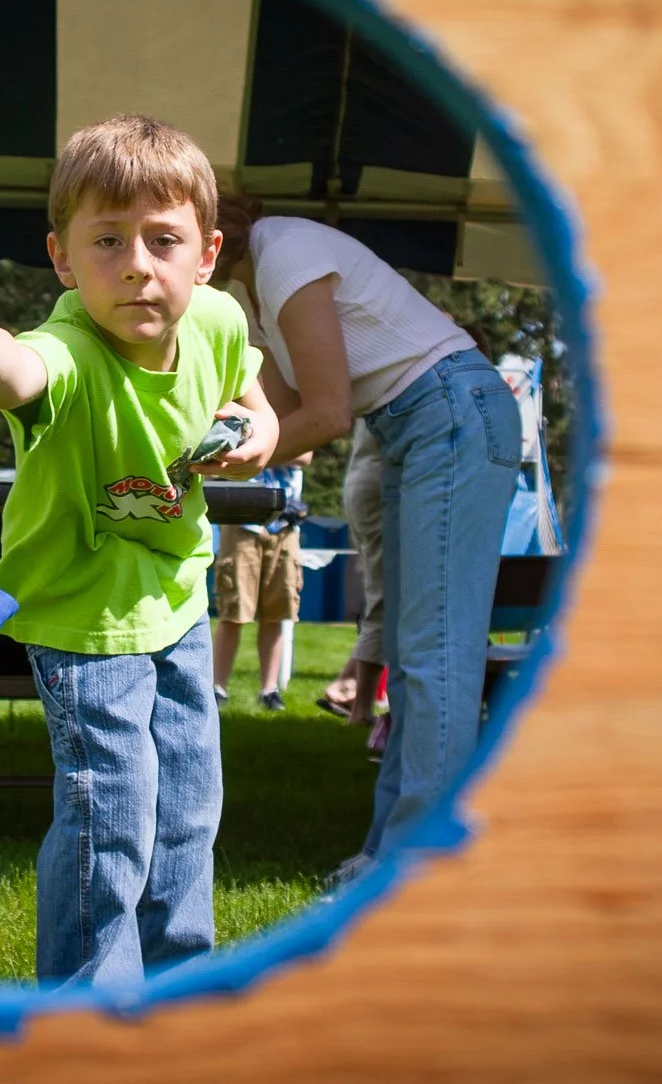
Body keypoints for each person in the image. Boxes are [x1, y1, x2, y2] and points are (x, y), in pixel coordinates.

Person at [0, 114, 278, 988]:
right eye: (107, 240)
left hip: (176, 597)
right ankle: (84, 1002)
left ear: (207, 253)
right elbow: (19, 372)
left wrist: (260, 428)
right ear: (63, 260)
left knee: (186, 811)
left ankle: (177, 986)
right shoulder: (67, 346)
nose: (137, 264)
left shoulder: (216, 317)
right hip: (81, 617)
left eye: (163, 239)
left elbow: (253, 394)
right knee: (115, 812)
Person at [212, 195, 519, 874]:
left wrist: (211, 460)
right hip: (415, 425)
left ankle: (414, 868)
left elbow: (323, 415)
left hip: (452, 412)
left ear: (208, 233)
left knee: (435, 655)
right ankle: (388, 851)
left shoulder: (283, 250)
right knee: (416, 656)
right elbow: (271, 418)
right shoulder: (254, 296)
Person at [212, 455, 311, 711]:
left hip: (285, 521)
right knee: (232, 610)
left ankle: (269, 690)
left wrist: (259, 449)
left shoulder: (296, 413)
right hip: (240, 517)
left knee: (276, 612)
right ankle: (216, 688)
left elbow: (304, 455)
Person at [319, 420, 385, 727]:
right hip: (383, 485)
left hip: (368, 483)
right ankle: (360, 707)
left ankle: (350, 688)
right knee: (385, 600)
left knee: (384, 599)